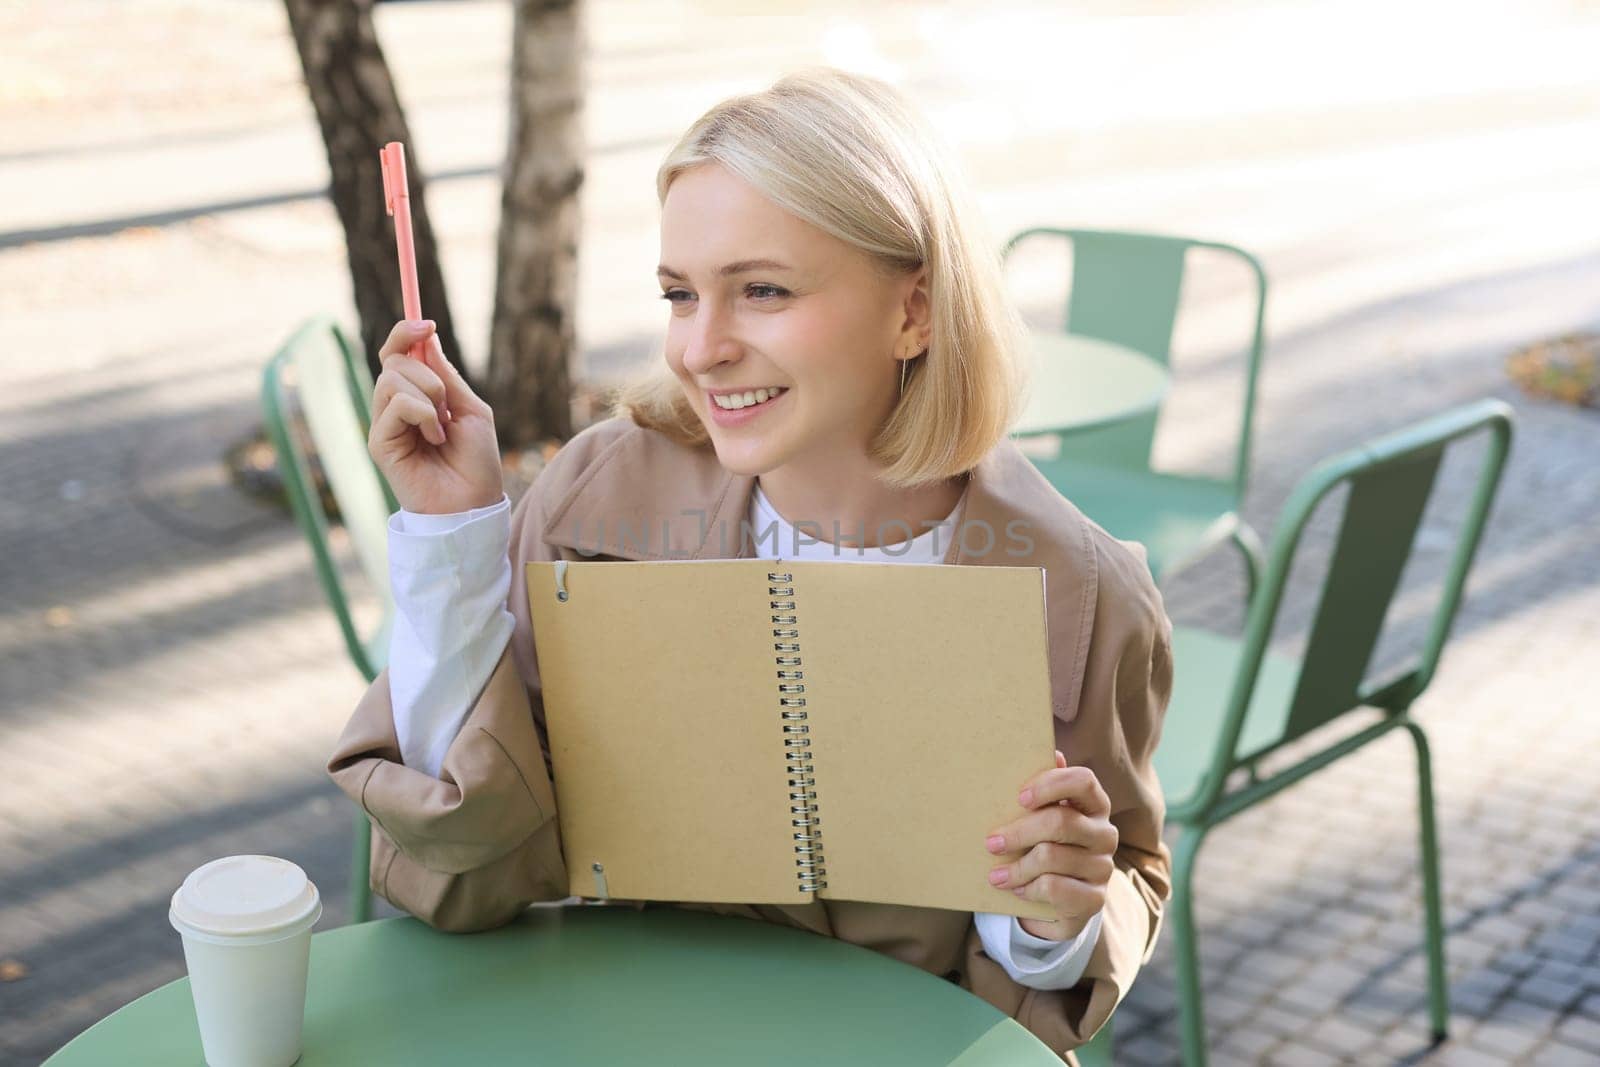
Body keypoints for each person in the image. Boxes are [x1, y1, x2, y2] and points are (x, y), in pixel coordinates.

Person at [327, 67, 1172, 1062]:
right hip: (623, 1031)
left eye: (761, 290)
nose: (701, 346)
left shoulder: (1077, 595)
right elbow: (462, 853)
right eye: (680, 294)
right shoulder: (597, 506)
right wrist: (451, 540)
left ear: (916, 311)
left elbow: (1115, 887)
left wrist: (1045, 917)